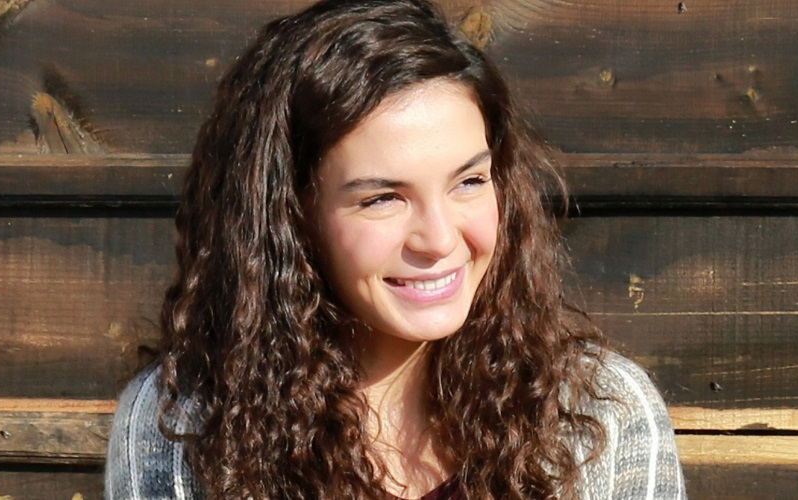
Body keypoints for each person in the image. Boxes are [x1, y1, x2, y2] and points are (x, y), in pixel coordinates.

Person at [105, 0, 684, 498]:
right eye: (383, 198)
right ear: (289, 216)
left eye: (469, 182)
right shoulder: (183, 425)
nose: (440, 239)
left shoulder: (600, 415)